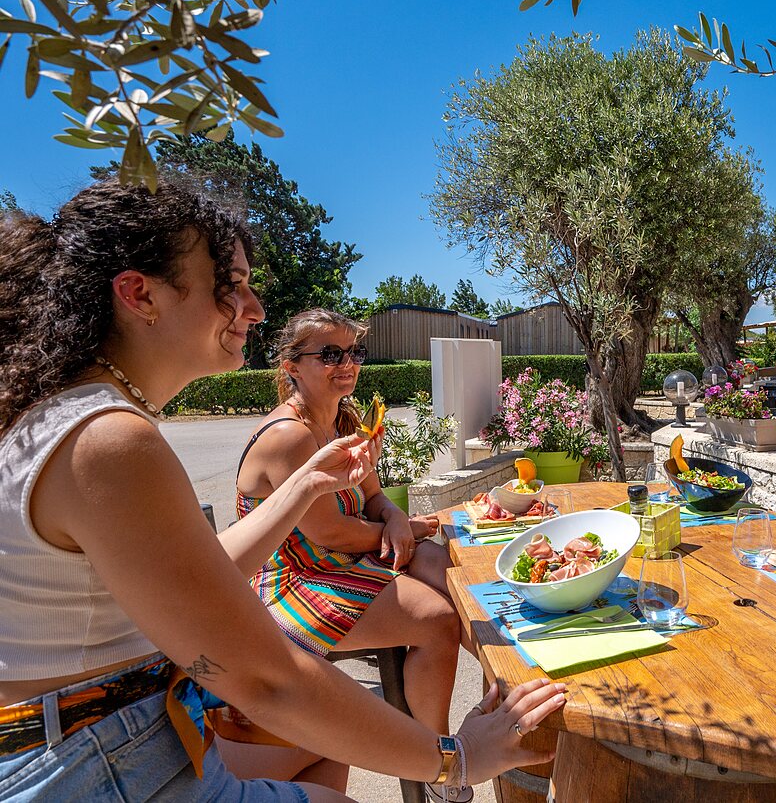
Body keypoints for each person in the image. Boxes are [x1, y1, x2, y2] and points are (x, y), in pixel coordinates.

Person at [0, 179, 563, 802]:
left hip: (107, 741)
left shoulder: (62, 416)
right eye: (231, 285)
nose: (255, 308)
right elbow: (266, 679)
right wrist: (456, 759)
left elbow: (205, 571)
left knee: (331, 768)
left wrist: (304, 486)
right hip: (92, 761)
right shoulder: (106, 439)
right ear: (141, 294)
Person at [234, 309, 461, 754]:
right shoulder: (289, 436)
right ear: (291, 366)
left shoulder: (344, 421)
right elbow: (330, 534)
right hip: (295, 581)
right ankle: (439, 757)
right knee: (438, 620)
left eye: (354, 351)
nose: (348, 363)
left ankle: (508, 685)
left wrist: (396, 520)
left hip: (342, 559)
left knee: (451, 571)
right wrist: (406, 530)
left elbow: (374, 497)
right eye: (331, 354)